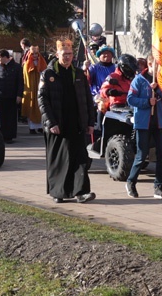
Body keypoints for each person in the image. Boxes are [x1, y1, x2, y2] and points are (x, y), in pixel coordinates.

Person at [38, 38, 96, 204]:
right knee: (60, 160)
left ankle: (81, 192)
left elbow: (87, 99)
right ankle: (59, 192)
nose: (68, 57)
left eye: (70, 54)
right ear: (57, 55)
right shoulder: (48, 74)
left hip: (77, 124)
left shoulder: (78, 74)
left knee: (81, 159)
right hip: (58, 125)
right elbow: (42, 100)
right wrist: (51, 123)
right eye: (64, 54)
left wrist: (90, 122)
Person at [126, 54, 162, 200]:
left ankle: (159, 187)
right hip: (143, 123)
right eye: (155, 65)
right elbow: (130, 99)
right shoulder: (139, 80)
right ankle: (131, 182)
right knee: (141, 154)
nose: (157, 68)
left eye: (159, 65)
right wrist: (147, 102)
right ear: (149, 65)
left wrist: (157, 90)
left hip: (159, 123)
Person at [21, 45, 47, 134]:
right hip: (31, 89)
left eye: (36, 54)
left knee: (40, 107)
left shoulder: (42, 62)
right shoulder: (27, 64)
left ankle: (40, 127)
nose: (35, 56)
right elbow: (26, 78)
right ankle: (32, 128)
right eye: (33, 54)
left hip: (40, 88)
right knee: (31, 107)